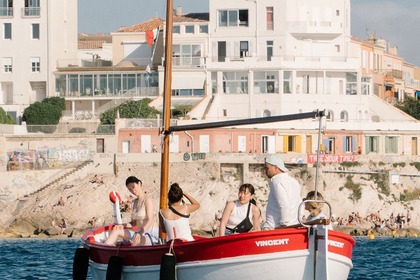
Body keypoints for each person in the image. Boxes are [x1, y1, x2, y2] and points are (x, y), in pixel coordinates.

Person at [104, 176, 158, 246]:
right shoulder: (134, 202)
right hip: (138, 232)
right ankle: (104, 248)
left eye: (133, 187)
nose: (133, 191)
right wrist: (121, 225)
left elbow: (150, 220)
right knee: (116, 230)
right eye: (130, 189)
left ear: (139, 184)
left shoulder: (147, 200)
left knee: (134, 242)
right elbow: (133, 223)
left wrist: (140, 233)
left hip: (149, 233)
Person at [262, 155, 302, 229]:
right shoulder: (294, 181)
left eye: (267, 168)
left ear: (276, 168)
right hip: (294, 224)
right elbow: (300, 203)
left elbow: (284, 204)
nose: (265, 171)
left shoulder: (277, 182)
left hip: (275, 227)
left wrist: (283, 224)